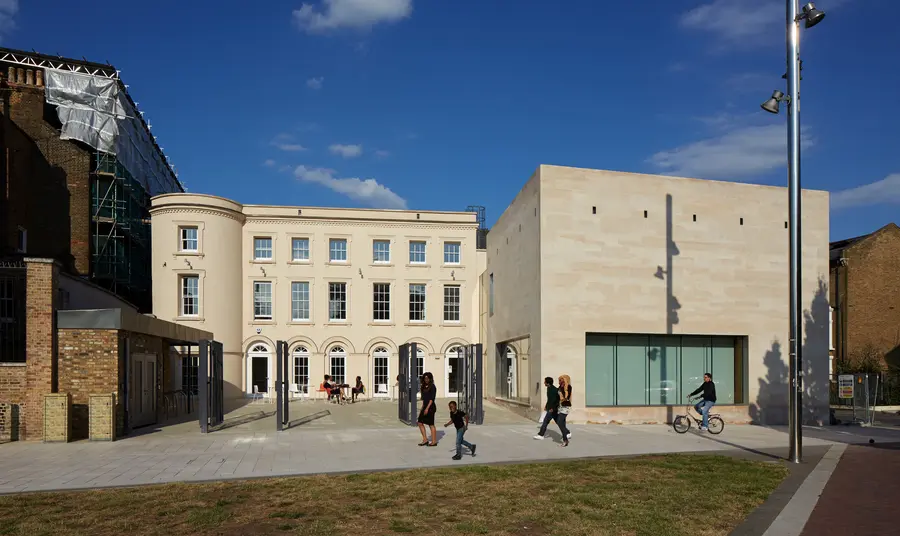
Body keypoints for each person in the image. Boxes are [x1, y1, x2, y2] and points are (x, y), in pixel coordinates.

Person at [534, 376, 569, 446]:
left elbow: (555, 400)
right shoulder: (549, 389)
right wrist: (546, 407)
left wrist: (552, 408)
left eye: (545, 382)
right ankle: (567, 432)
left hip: (553, 409)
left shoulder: (553, 390)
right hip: (552, 408)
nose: (544, 383)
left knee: (546, 421)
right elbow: (549, 400)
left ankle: (541, 435)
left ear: (548, 383)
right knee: (558, 422)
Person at [417, 372, 438, 446]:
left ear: (430, 379)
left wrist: (427, 409)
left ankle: (434, 441)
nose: (426, 380)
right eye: (425, 378)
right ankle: (425, 439)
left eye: (427, 378)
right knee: (420, 422)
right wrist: (422, 408)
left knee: (431, 424)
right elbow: (424, 399)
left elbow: (432, 399)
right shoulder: (423, 387)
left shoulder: (432, 387)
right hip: (425, 406)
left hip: (431, 407)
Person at [558, 374, 573, 442]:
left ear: (565, 380)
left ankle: (565, 439)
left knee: (559, 422)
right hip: (560, 406)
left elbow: (567, 397)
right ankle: (567, 433)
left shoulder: (568, 387)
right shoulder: (560, 386)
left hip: (566, 406)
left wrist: (562, 397)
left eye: (561, 379)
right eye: (559, 380)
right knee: (562, 423)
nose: (560, 381)